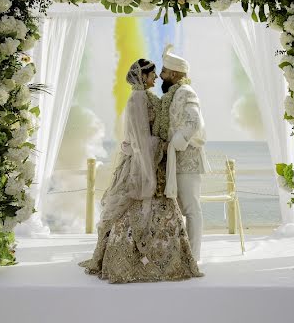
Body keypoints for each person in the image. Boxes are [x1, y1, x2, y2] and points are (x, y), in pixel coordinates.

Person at [78, 58, 202, 283]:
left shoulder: (150, 96)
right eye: (153, 73)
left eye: (160, 72)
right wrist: (163, 146)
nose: (156, 77)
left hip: (153, 162)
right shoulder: (138, 99)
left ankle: (167, 258)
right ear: (142, 77)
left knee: (166, 212)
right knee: (136, 211)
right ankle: (138, 261)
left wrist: (167, 146)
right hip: (144, 163)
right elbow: (139, 140)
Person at [157, 45, 211, 262]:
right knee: (178, 210)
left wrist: (176, 143)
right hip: (175, 162)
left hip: (187, 161)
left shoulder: (186, 92)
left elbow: (194, 121)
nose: (161, 75)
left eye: (164, 72)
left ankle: (193, 258)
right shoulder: (175, 93)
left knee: (191, 210)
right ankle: (180, 255)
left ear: (174, 74)